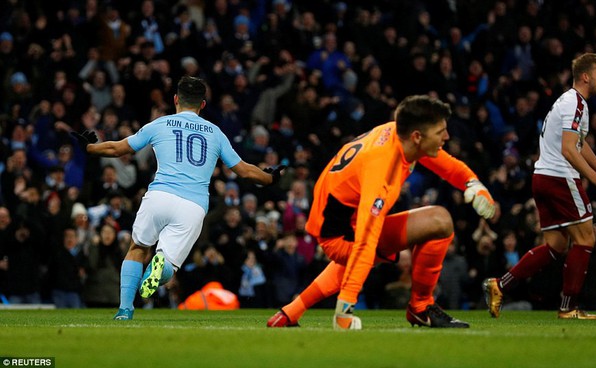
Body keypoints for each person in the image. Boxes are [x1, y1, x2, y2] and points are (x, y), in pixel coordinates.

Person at [267, 95, 496, 329]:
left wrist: (473, 184)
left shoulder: (399, 135)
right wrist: (345, 309)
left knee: (426, 224)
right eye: (441, 132)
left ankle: (290, 312)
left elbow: (447, 165)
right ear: (418, 136)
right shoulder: (382, 169)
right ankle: (420, 307)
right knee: (439, 221)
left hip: (339, 220)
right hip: (340, 236)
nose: (446, 137)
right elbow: (365, 242)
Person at [72, 76, 284, 320]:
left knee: (138, 247)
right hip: (193, 206)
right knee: (168, 267)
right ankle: (161, 264)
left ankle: (125, 310)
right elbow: (245, 171)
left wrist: (90, 148)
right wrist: (270, 179)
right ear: (203, 105)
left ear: (175, 99)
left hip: (160, 195)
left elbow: (118, 148)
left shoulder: (160, 124)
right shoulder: (215, 133)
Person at [483, 53, 596, 320]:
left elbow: (579, 145)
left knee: (555, 245)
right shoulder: (576, 104)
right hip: (560, 177)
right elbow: (570, 150)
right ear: (586, 76)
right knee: (586, 238)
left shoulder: (569, 101)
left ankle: (499, 285)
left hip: (543, 178)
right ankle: (569, 307)